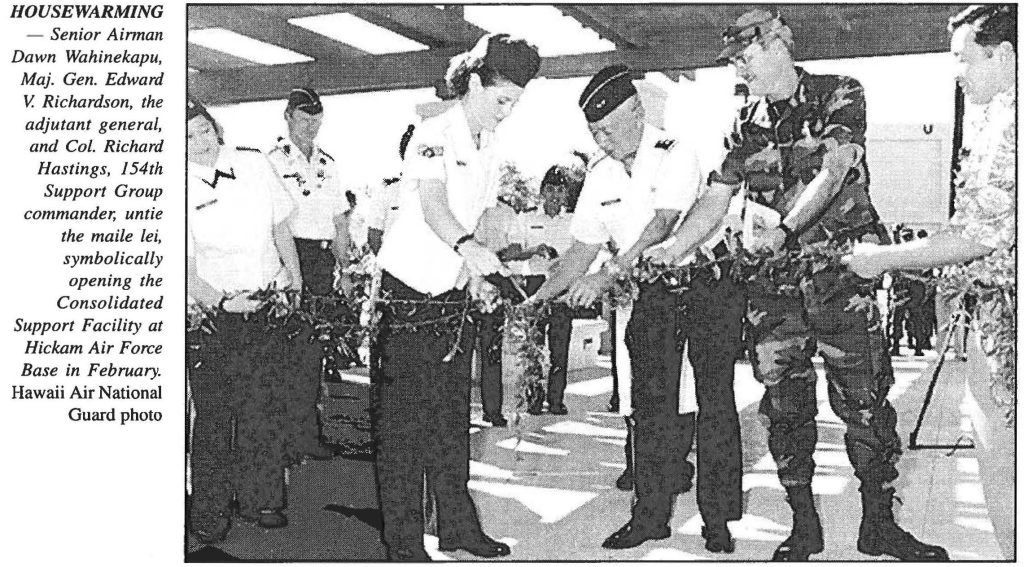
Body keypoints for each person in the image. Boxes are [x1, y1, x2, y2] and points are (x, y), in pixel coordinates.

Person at [707, 9, 949, 560]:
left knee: (865, 402)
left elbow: (836, 167)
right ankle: (803, 526)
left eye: (745, 55)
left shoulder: (838, 92)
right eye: (734, 61)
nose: (739, 68)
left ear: (778, 43)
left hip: (842, 280)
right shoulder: (743, 124)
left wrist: (787, 228)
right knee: (785, 409)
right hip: (774, 293)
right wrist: (671, 247)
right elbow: (717, 195)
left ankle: (878, 525)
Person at [372, 34, 540, 561]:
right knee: (403, 425)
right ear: (473, 84)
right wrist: (468, 248)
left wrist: (480, 268)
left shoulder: (488, 144)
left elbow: (482, 215)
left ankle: (457, 528)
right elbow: (433, 205)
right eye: (501, 100)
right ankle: (402, 541)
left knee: (449, 420)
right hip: (406, 296)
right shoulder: (434, 133)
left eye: (514, 103)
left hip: (450, 296)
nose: (507, 112)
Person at [533, 65, 710, 551]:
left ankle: (715, 514)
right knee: (647, 409)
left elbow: (663, 225)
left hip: (690, 295)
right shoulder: (600, 173)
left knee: (701, 407)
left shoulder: (675, 151)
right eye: (593, 132)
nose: (601, 139)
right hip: (643, 303)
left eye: (607, 128)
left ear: (636, 111)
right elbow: (581, 249)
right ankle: (650, 514)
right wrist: (538, 298)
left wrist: (609, 273)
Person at [847, 4, 1015, 422]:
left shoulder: (1010, 123)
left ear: (1006, 55)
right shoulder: (997, 117)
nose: (958, 72)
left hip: (1008, 318)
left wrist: (881, 260)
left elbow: (977, 237)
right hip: (997, 311)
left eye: (965, 59)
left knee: (1002, 458)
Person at [186, 97, 310, 540]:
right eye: (185, 138)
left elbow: (280, 227)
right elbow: (182, 265)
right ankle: (210, 512)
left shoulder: (255, 165)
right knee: (216, 417)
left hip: (265, 303)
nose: (198, 142)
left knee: (264, 408)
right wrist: (220, 302)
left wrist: (293, 280)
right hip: (213, 314)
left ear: (215, 127)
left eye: (202, 129)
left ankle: (262, 499)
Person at [266, 87, 350, 460]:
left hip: (320, 261)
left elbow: (339, 221)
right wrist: (285, 271)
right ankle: (281, 437)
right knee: (283, 351)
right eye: (304, 118)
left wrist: (344, 269)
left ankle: (307, 433)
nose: (310, 125)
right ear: (288, 116)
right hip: (286, 257)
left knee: (312, 351)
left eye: (316, 118)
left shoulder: (328, 164)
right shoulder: (270, 161)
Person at [366, 125, 416, 255]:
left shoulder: (437, 191)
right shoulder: (388, 190)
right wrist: (387, 262)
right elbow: (374, 233)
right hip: (394, 265)